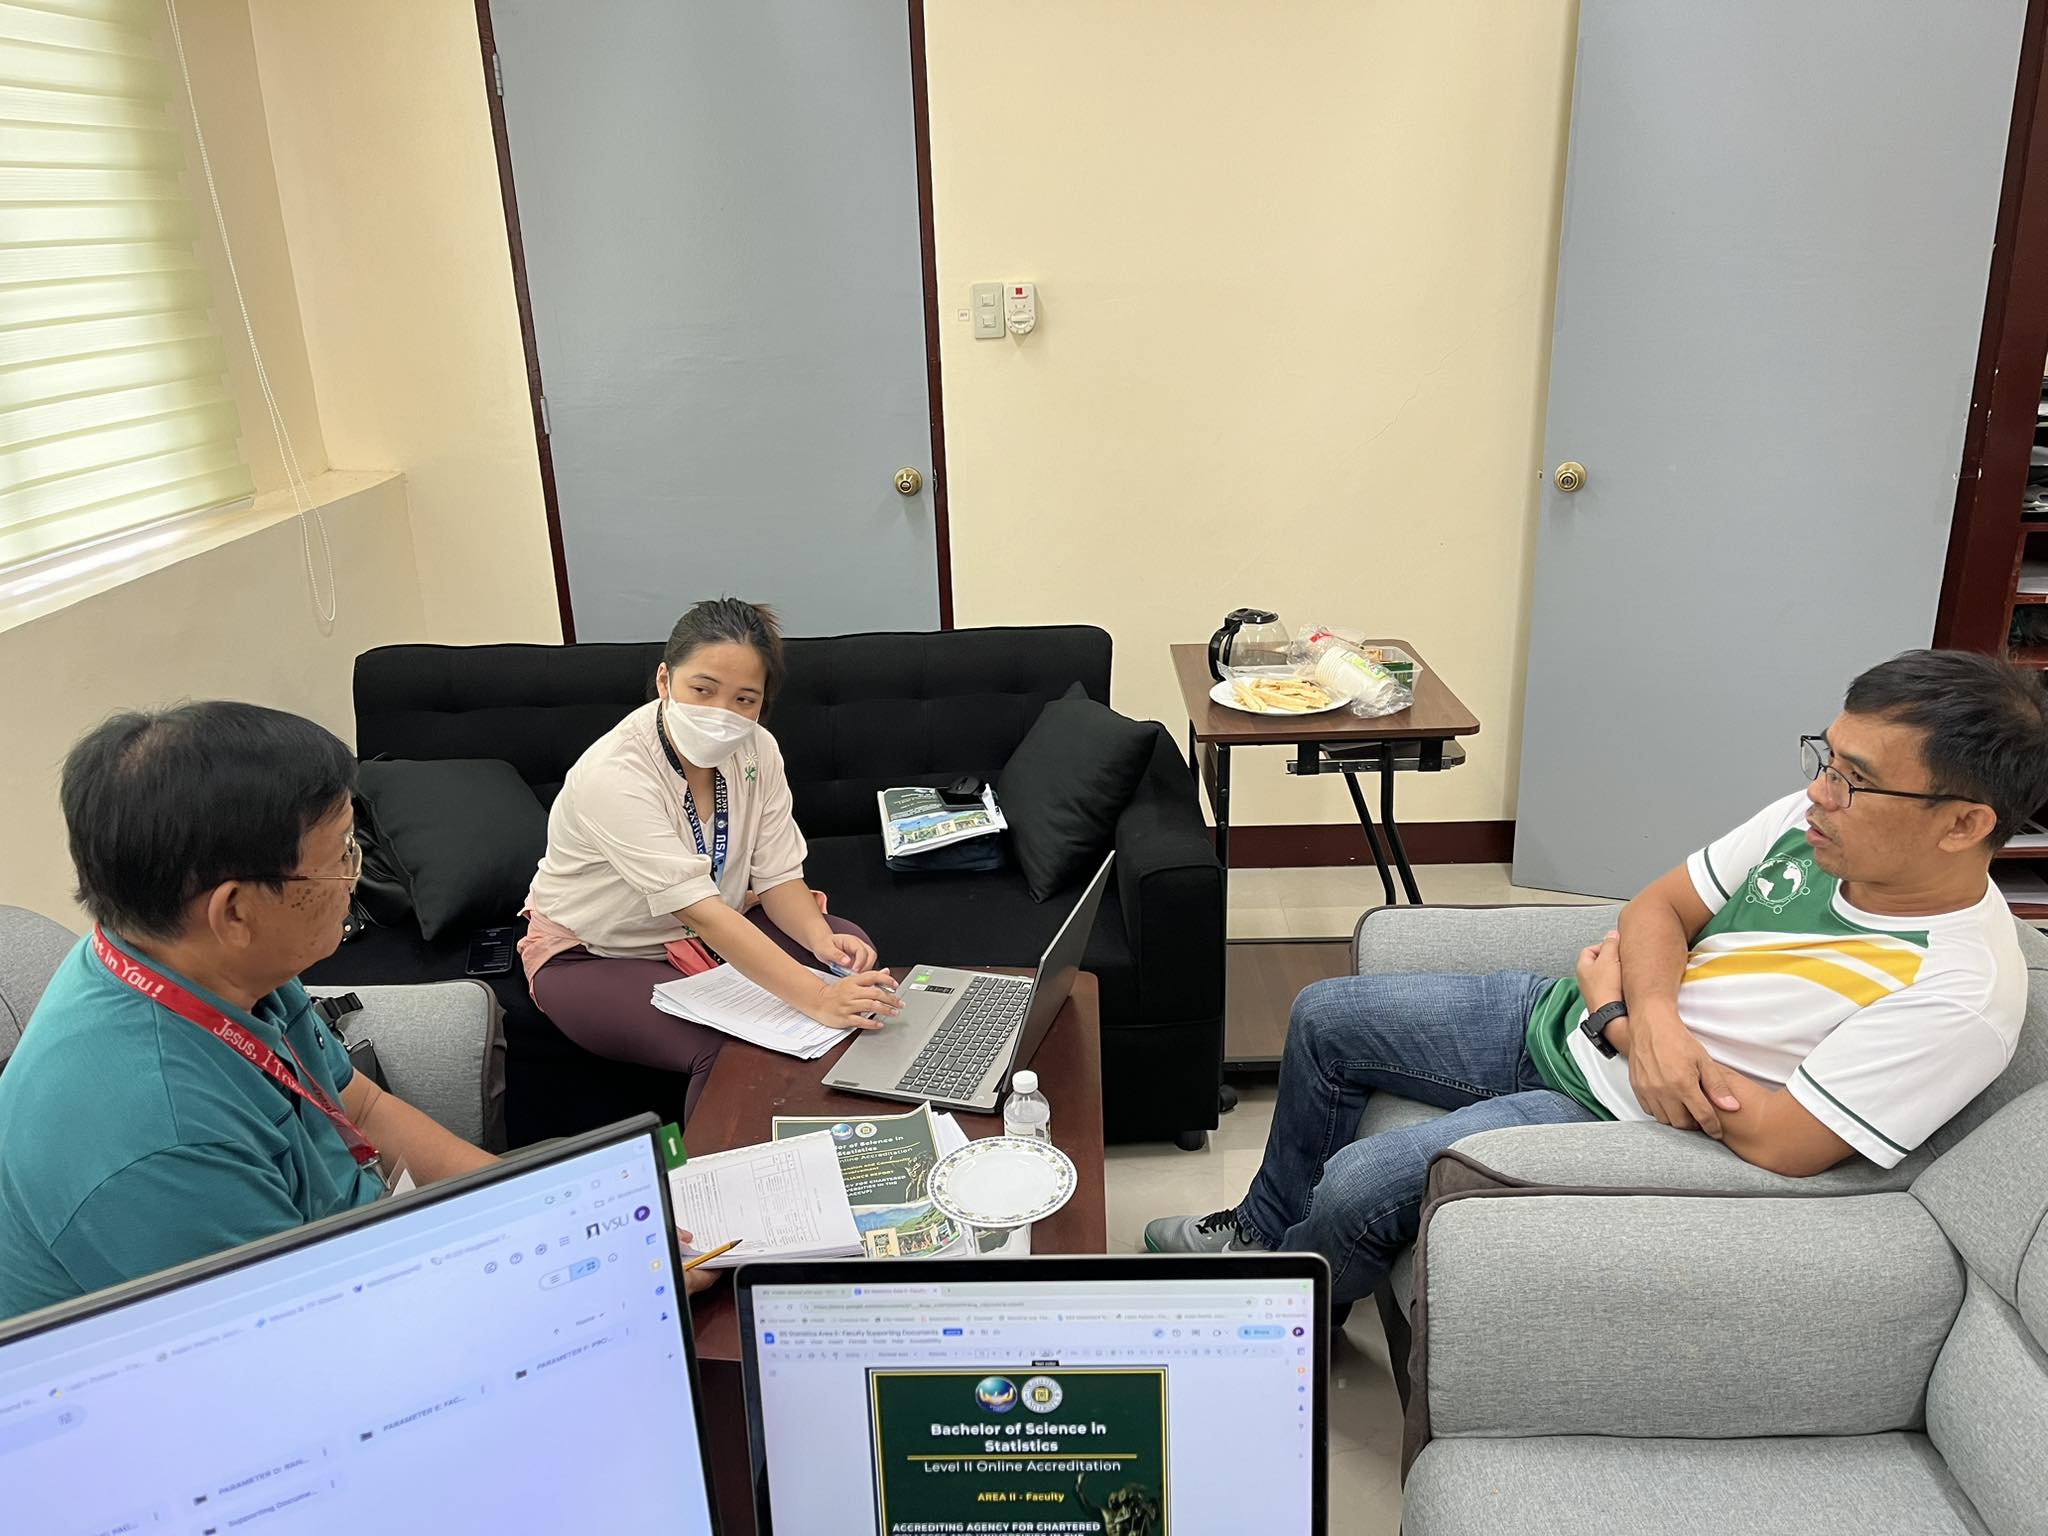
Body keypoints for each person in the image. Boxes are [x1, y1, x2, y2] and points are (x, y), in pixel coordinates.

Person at [1146, 650, 2048, 1304]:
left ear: (1964, 824)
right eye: (1828, 758)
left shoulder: (1960, 995)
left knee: (1357, 1183)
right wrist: (1640, 1019)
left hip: (1618, 1115)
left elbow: (1787, 1144)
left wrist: (1623, 1017)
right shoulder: (1808, 827)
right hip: (1580, 1020)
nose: (1819, 792)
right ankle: (1262, 1229)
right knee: (1326, 1014)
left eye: (1856, 780)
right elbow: (1658, 908)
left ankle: (1289, 1297)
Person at [0, 703, 500, 1320]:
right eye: (341, 856)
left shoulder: (207, 964)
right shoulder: (162, 1146)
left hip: (347, 1258)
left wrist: (520, 1202)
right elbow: (306, 1339)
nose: (354, 876)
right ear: (235, 911)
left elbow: (362, 1108)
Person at [522, 598, 897, 1117]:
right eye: (702, 690)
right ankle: (724, 1163)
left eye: (744, 699)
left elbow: (778, 876)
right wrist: (816, 997)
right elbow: (700, 912)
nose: (722, 714)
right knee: (730, 1047)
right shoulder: (614, 774)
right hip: (601, 953)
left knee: (851, 953)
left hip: (712, 928)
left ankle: (844, 1127)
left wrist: (818, 940)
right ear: (664, 680)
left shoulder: (758, 750)